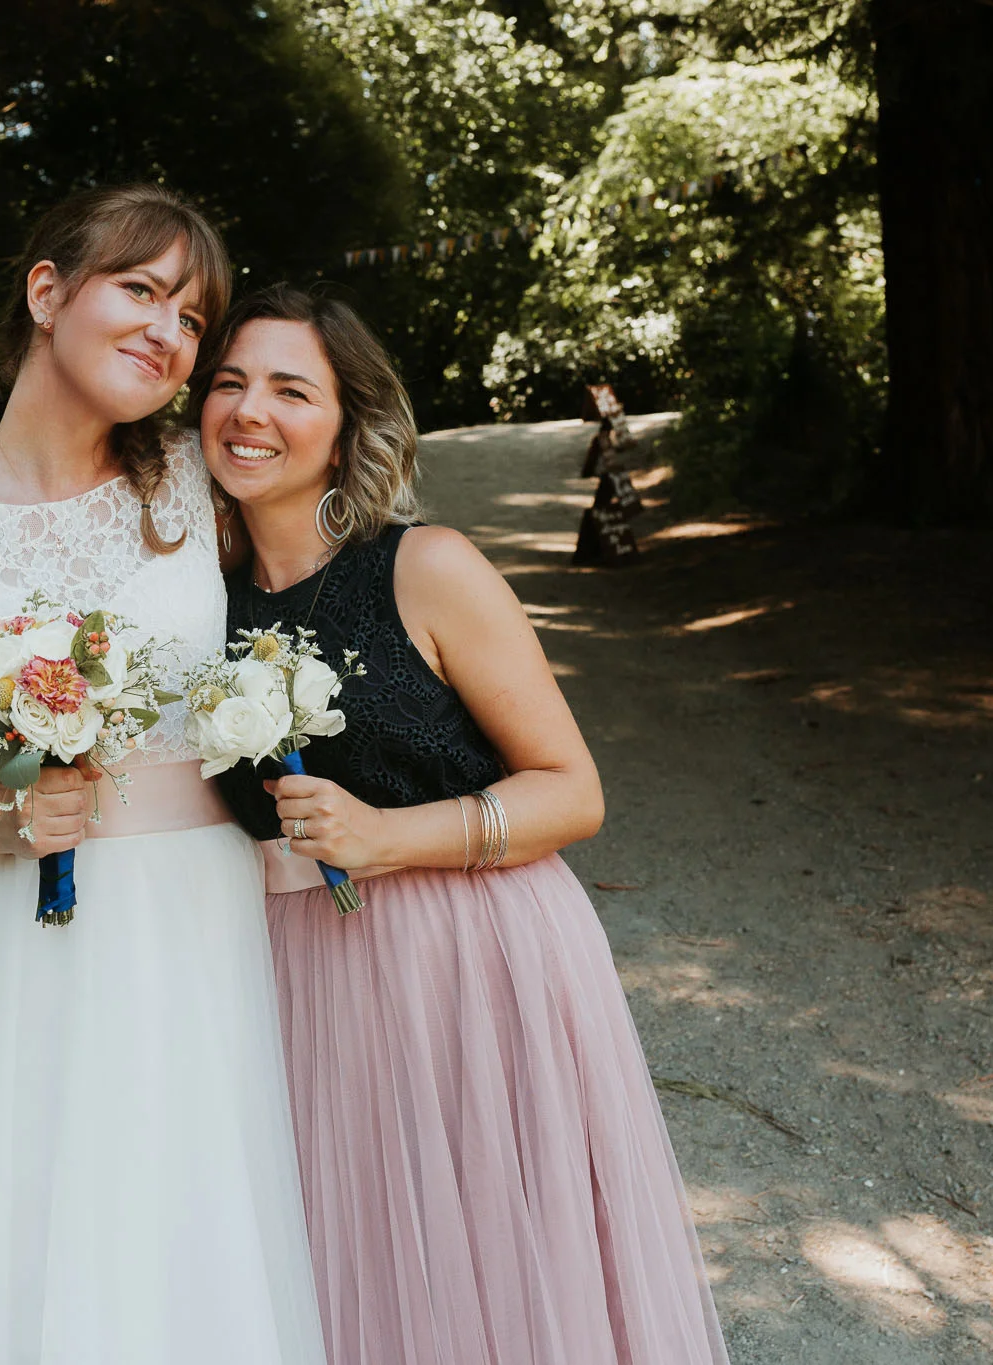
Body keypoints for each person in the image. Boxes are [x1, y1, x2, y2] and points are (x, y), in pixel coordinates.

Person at [0, 188, 324, 1364]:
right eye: (139, 289)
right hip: (8, 940)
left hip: (197, 923)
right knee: (6, 1249)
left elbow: (339, 567)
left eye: (192, 318)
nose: (168, 333)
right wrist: (4, 812)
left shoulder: (199, 484)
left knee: (175, 1240)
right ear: (47, 293)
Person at [197, 284, 730, 1365]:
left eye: (290, 390)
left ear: (347, 426)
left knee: (491, 1264)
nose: (250, 412)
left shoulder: (425, 568)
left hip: (473, 959)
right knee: (352, 1266)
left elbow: (570, 791)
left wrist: (387, 838)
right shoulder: (194, 603)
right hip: (295, 972)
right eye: (228, 384)